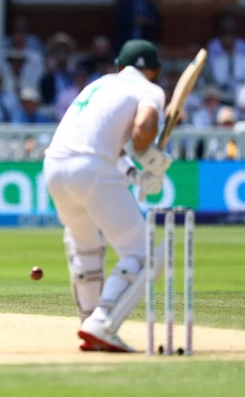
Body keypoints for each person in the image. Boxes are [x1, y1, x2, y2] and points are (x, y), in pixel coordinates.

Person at [44, 40, 173, 352]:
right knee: (145, 254)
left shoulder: (99, 85)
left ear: (120, 66)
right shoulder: (150, 89)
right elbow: (142, 130)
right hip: (92, 168)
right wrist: (150, 159)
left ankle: (88, 320)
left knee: (85, 247)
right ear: (153, 70)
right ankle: (101, 322)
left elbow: (109, 143)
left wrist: (135, 174)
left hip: (54, 167)